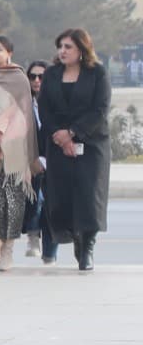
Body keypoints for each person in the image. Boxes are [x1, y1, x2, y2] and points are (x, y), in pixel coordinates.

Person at [35, 28, 108, 271]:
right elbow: (44, 108)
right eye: (60, 46)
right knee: (63, 197)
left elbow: (100, 109)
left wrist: (73, 133)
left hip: (90, 143)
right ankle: (75, 235)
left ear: (82, 50)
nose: (63, 51)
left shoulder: (96, 73)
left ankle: (87, 245)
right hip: (58, 144)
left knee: (89, 197)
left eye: (68, 47)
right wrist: (61, 136)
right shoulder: (53, 74)